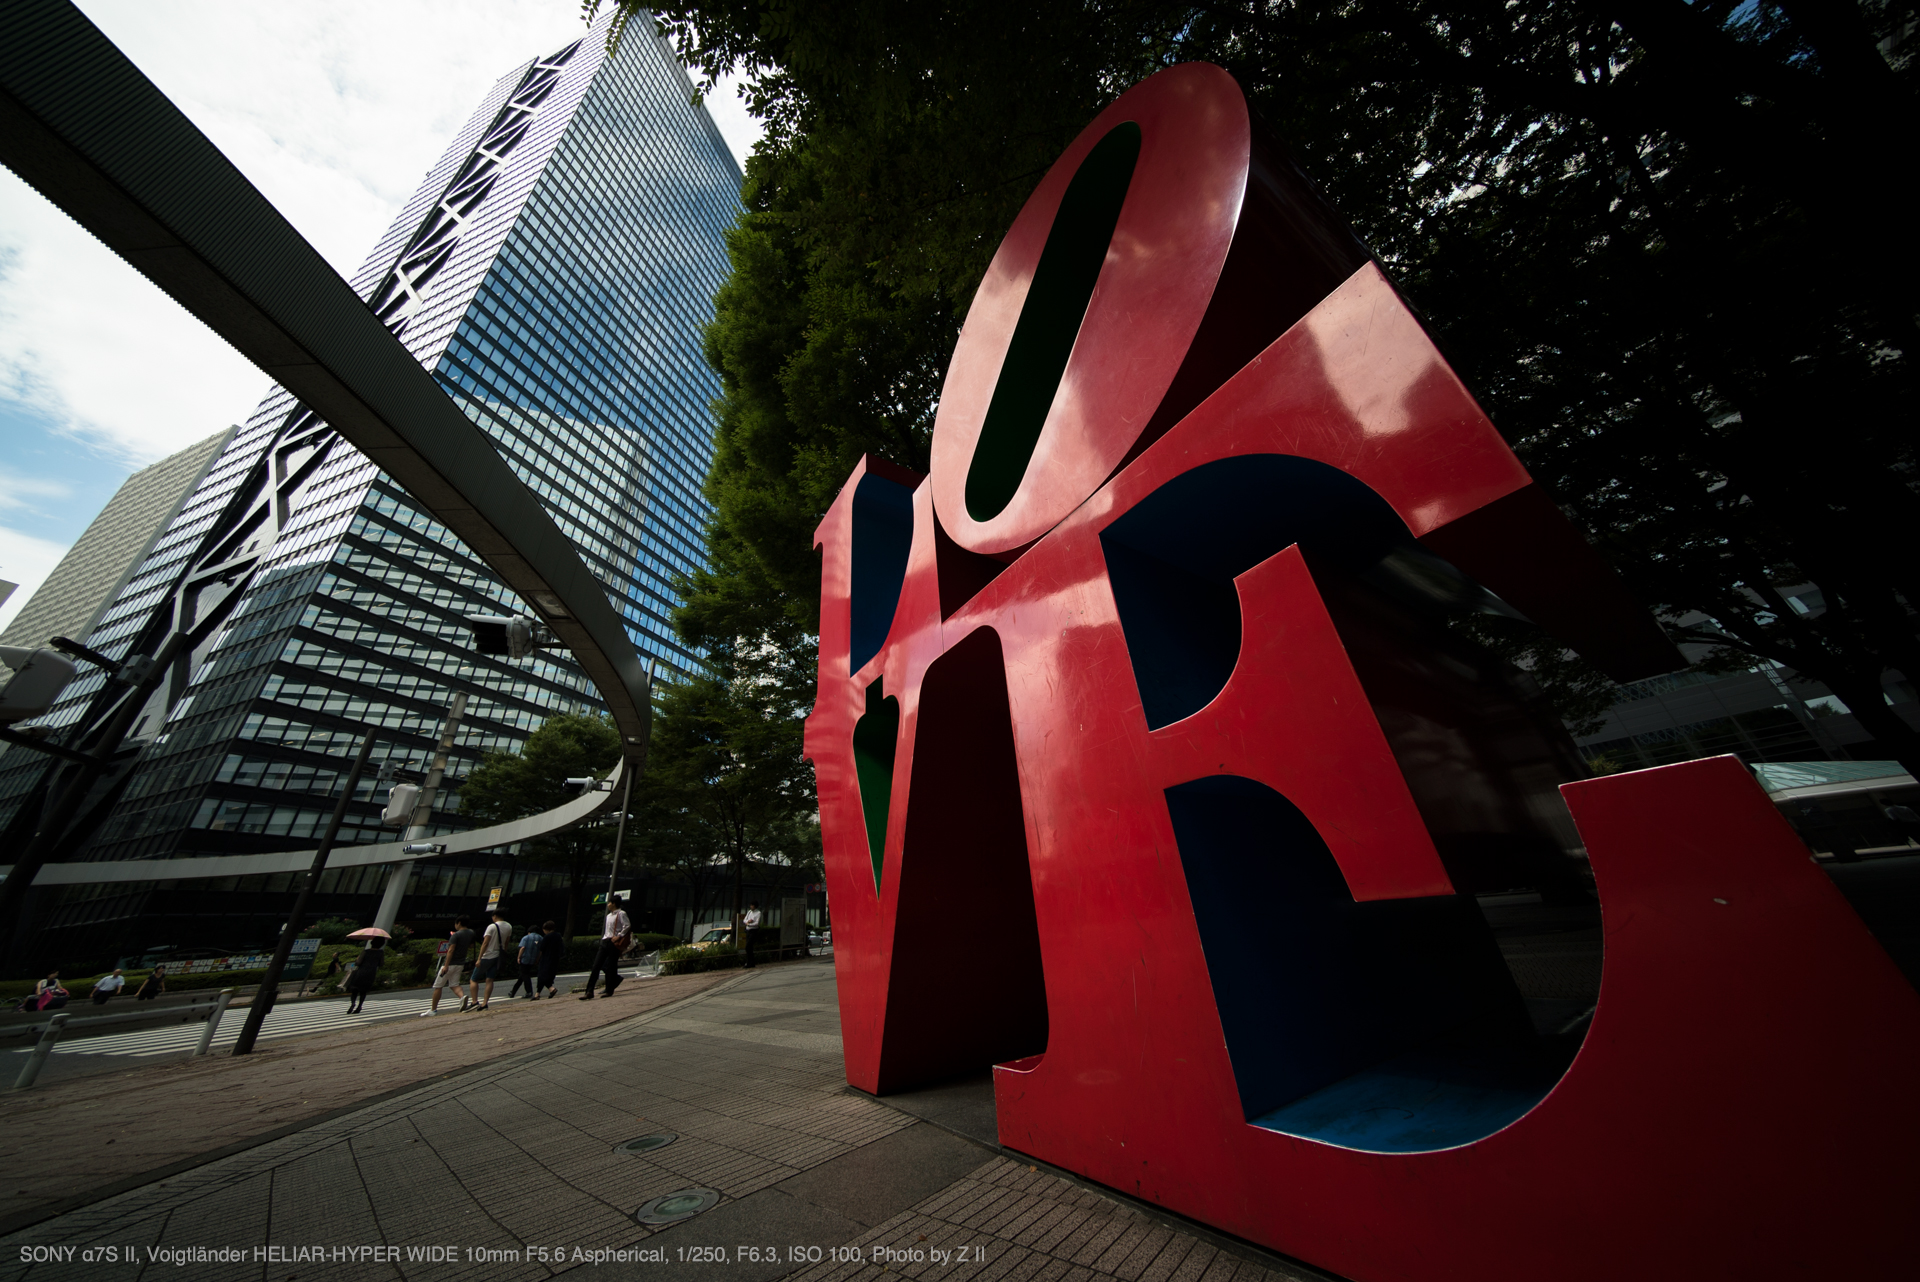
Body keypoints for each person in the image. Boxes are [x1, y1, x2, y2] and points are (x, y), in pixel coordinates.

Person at [423, 917, 476, 1015]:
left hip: (450, 964)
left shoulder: (456, 935)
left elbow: (450, 950)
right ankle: (462, 997)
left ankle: (433, 1010)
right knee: (454, 984)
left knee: (438, 986)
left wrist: (445, 965)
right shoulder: (471, 933)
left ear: (459, 923)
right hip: (460, 963)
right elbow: (471, 946)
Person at [579, 897, 630, 1000]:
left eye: (609, 902)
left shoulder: (621, 914)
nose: (608, 904)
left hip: (613, 942)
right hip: (605, 941)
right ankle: (589, 991)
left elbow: (627, 925)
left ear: (614, 903)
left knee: (611, 967)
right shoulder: (608, 916)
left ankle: (609, 990)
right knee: (596, 966)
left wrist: (619, 935)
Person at [469, 908, 513, 1011]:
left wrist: (479, 958)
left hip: (488, 955)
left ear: (495, 916)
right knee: (489, 979)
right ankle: (485, 1003)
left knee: (473, 978)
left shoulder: (492, 927)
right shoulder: (508, 926)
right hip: (498, 956)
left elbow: (485, 943)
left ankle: (474, 1001)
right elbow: (506, 942)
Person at [343, 943, 384, 1015]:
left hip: (361, 972)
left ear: (371, 943)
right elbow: (381, 964)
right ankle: (359, 1006)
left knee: (355, 989)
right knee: (363, 991)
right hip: (371, 973)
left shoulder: (366, 951)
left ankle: (353, 1003)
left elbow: (358, 963)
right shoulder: (380, 953)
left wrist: (357, 959)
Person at [509, 923, 543, 999]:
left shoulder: (526, 938)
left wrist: (518, 957)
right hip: (533, 959)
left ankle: (529, 991)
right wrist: (537, 959)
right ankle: (513, 992)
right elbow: (541, 951)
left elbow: (522, 948)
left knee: (525, 975)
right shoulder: (540, 938)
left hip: (525, 959)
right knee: (523, 975)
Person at [536, 920, 563, 998]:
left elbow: (541, 949)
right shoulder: (558, 936)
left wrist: (537, 958)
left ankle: (549, 990)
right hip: (555, 958)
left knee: (542, 976)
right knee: (549, 976)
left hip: (546, 959)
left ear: (546, 929)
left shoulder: (547, 937)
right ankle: (539, 993)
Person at [742, 902, 763, 969]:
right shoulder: (749, 912)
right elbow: (744, 920)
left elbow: (757, 923)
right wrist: (748, 921)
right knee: (750, 947)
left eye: (752, 905)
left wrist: (749, 924)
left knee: (748, 946)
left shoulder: (758, 913)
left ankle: (748, 962)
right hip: (748, 930)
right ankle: (751, 962)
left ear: (755, 906)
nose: (751, 906)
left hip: (753, 931)